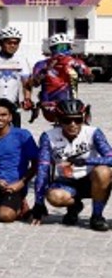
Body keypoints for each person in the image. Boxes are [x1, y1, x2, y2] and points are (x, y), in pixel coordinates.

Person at [36, 98, 112, 230]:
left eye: (77, 120)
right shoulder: (48, 137)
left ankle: (97, 216)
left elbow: (110, 158)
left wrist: (85, 161)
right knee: (54, 197)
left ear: (84, 118)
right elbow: (43, 168)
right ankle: (75, 206)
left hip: (91, 180)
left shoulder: (93, 132)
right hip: (67, 182)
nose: (72, 124)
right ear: (58, 119)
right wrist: (38, 203)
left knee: (103, 171)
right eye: (66, 120)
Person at [0, 100, 40, 224]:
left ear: (10, 117)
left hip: (16, 185)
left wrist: (21, 183)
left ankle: (19, 205)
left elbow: (36, 163)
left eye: (3, 115)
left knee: (5, 216)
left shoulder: (23, 135)